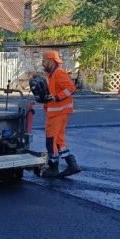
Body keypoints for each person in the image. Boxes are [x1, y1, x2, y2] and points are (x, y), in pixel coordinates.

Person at [41, 50, 81, 178]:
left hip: (59, 112)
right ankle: (72, 164)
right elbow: (52, 93)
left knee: (51, 140)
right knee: (58, 140)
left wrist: (57, 98)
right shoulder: (52, 75)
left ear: (51, 61)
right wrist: (47, 104)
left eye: (44, 61)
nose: (42, 63)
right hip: (58, 111)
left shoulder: (58, 73)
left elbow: (71, 88)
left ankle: (53, 167)